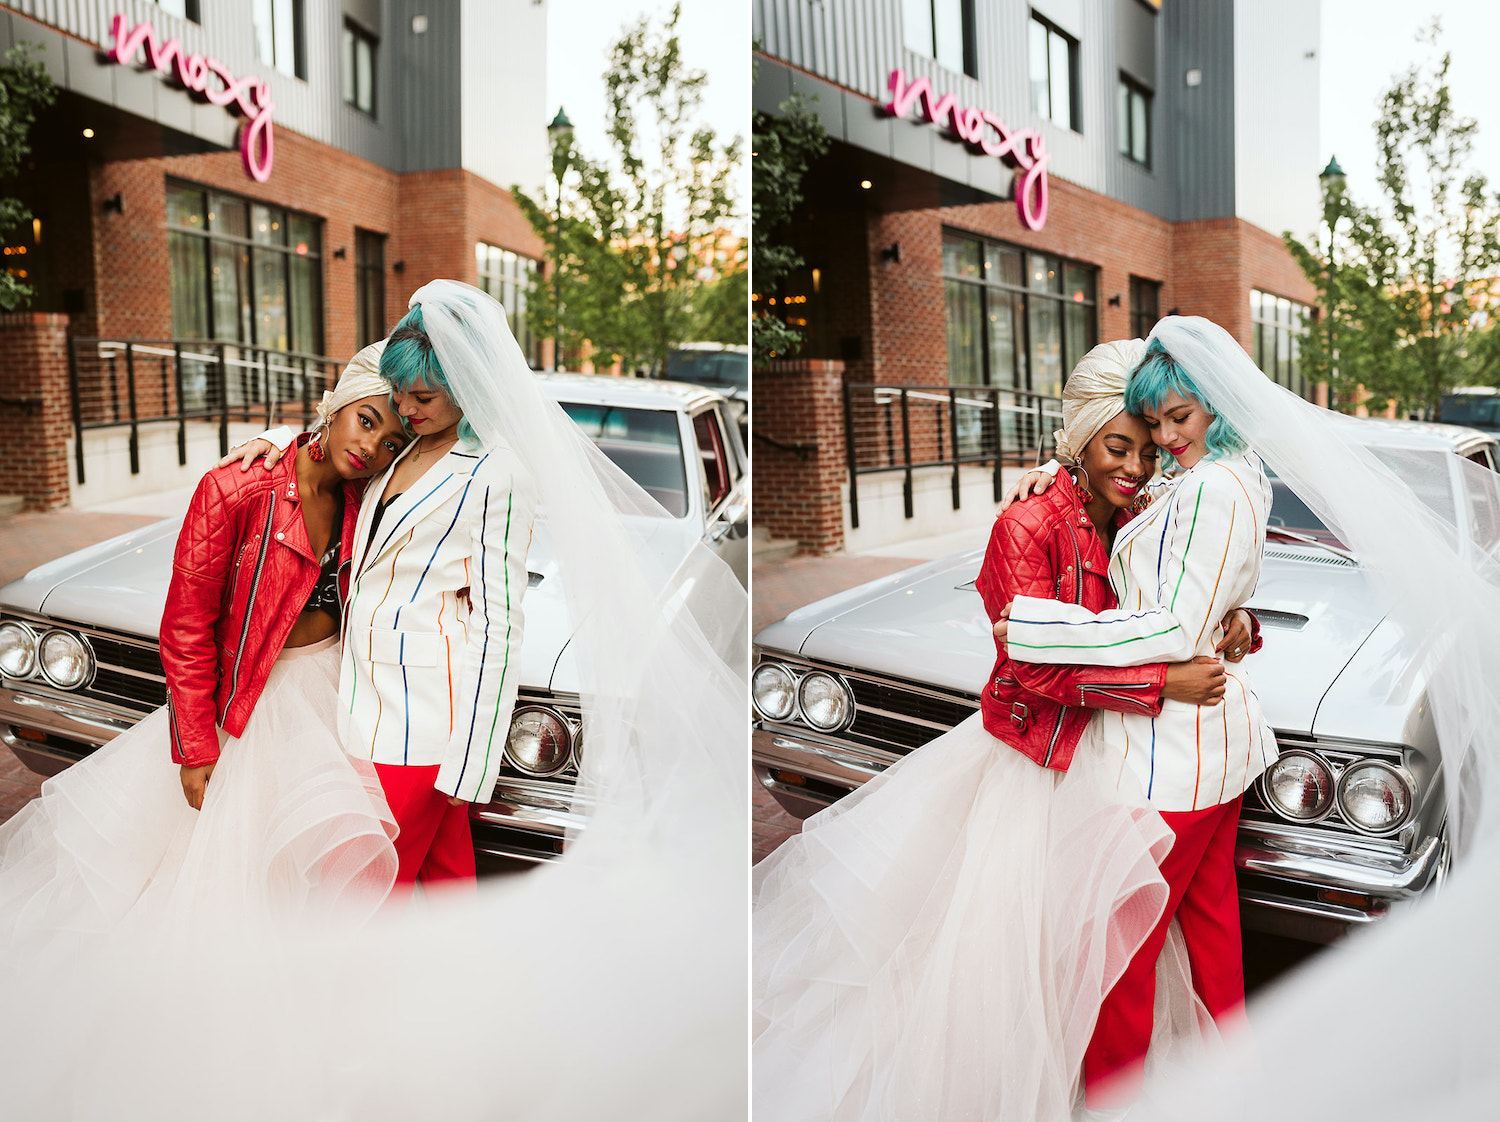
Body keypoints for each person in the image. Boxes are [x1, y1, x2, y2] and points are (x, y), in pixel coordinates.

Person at [0, 282, 749, 1121]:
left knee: (362, 909)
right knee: (445, 896)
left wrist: (469, 764)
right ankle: (475, 1052)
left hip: (423, 725)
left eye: (421, 397)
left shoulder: (496, 474)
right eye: (395, 399)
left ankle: (358, 1074)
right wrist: (277, 442)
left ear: (465, 388)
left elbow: (501, 620)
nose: (406, 409)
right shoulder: (389, 455)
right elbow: (324, 457)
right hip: (353, 711)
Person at [753, 339, 1252, 1122]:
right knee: (1007, 959)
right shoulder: (1027, 524)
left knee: (1105, 950)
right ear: (1080, 437)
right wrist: (1164, 681)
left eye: (1146, 448)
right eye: (1117, 447)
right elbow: (1029, 669)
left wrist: (1235, 625)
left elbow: (1195, 579)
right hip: (1039, 757)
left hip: (1114, 754)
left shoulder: (1145, 503)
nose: (1135, 467)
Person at [0, 350, 411, 944]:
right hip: (246, 709)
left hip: (329, 699)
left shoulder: (367, 499)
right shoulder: (235, 488)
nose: (373, 447)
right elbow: (186, 626)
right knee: (217, 878)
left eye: (392, 441)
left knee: (306, 872)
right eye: (367, 420)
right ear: (337, 404)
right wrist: (195, 747)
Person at [999, 332, 1275, 1110]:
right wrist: (1054, 473)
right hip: (1208, 757)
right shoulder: (1219, 476)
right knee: (1214, 941)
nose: (1163, 440)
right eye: (1153, 425)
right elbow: (1186, 568)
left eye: (1175, 418)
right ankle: (1237, 1089)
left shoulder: (1211, 486)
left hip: (1171, 765)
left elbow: (1166, 625)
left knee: (1118, 956)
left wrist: (1036, 629)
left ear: (1216, 405)